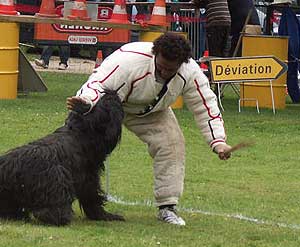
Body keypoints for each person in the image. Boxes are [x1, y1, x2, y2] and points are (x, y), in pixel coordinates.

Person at [66, 32, 232, 226]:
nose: (164, 73)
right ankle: (63, 195)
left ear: (182, 63)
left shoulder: (191, 73)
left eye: (170, 70)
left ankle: (167, 208)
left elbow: (205, 105)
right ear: (155, 54)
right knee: (74, 149)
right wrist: (86, 102)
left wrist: (218, 141)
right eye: (161, 67)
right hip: (109, 106)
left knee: (172, 144)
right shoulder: (128, 60)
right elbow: (97, 83)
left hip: (153, 112)